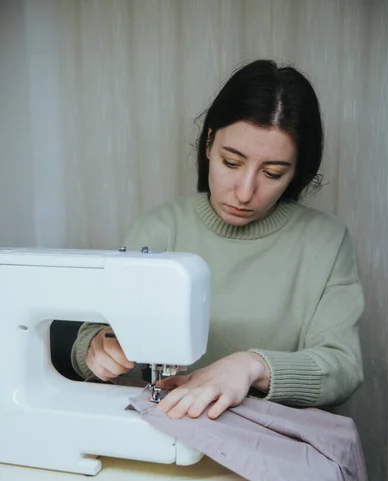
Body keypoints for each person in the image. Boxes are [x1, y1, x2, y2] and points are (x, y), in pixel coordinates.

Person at [71, 59, 364, 421]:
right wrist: (98, 348)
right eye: (231, 162)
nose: (244, 192)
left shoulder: (326, 241)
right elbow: (90, 335)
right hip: (163, 429)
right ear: (209, 143)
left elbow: (343, 367)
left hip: (267, 443)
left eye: (272, 173)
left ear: (296, 171)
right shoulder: (160, 226)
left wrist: (251, 367)